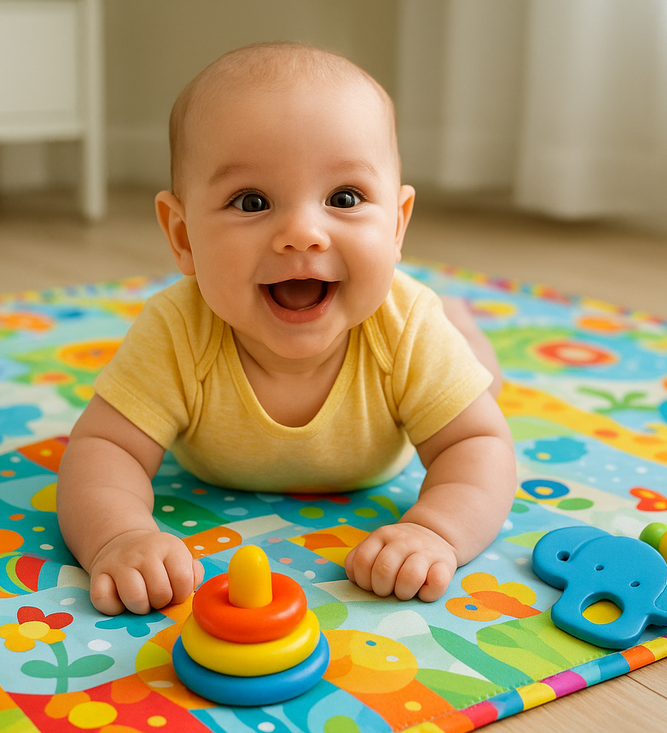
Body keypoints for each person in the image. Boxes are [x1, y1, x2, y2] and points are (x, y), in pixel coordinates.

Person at [56, 42, 517, 616]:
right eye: (252, 201)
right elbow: (103, 448)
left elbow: (477, 444)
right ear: (182, 236)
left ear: (397, 226)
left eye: (344, 198)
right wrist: (119, 537)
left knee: (483, 385)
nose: (302, 233)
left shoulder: (406, 328)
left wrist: (438, 531)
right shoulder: (176, 329)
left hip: (416, 362)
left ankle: (462, 325)